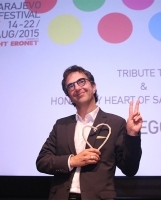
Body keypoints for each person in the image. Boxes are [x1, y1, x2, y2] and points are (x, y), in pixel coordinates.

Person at [36, 65, 142, 200]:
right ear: (68, 95)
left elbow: (130, 169)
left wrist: (132, 135)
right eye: (71, 86)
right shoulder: (61, 125)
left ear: (93, 86)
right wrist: (72, 161)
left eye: (81, 81)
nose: (77, 88)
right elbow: (42, 161)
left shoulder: (115, 123)